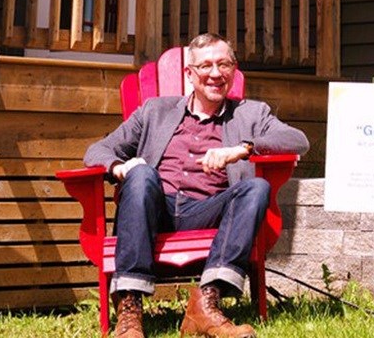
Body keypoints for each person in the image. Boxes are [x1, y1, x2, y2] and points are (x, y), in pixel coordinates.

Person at [84, 33, 309, 338]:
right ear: (189, 74)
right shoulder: (155, 111)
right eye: (205, 66)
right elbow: (97, 151)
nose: (216, 74)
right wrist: (121, 167)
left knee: (256, 189)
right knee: (141, 174)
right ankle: (129, 310)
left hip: (208, 211)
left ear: (234, 69)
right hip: (154, 207)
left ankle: (206, 304)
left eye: (224, 64)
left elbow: (298, 140)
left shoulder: (251, 113)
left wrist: (242, 149)